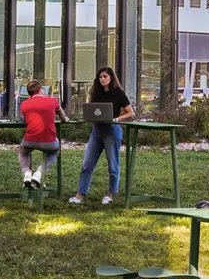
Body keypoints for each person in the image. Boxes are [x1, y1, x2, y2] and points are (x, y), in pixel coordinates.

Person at [69, 67, 133, 205]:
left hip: (112, 130)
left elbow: (130, 112)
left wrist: (117, 119)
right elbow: (92, 110)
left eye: (105, 76)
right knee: (87, 163)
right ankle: (80, 194)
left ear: (111, 78)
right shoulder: (96, 93)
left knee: (113, 164)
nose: (102, 79)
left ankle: (111, 194)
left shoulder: (118, 93)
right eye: (100, 77)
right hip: (97, 130)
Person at [19, 79, 68, 189]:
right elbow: (64, 118)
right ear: (41, 90)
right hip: (49, 142)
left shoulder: (24, 104)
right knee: (55, 151)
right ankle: (39, 174)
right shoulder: (53, 101)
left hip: (29, 140)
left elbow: (23, 119)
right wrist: (66, 118)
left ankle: (27, 174)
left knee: (23, 152)